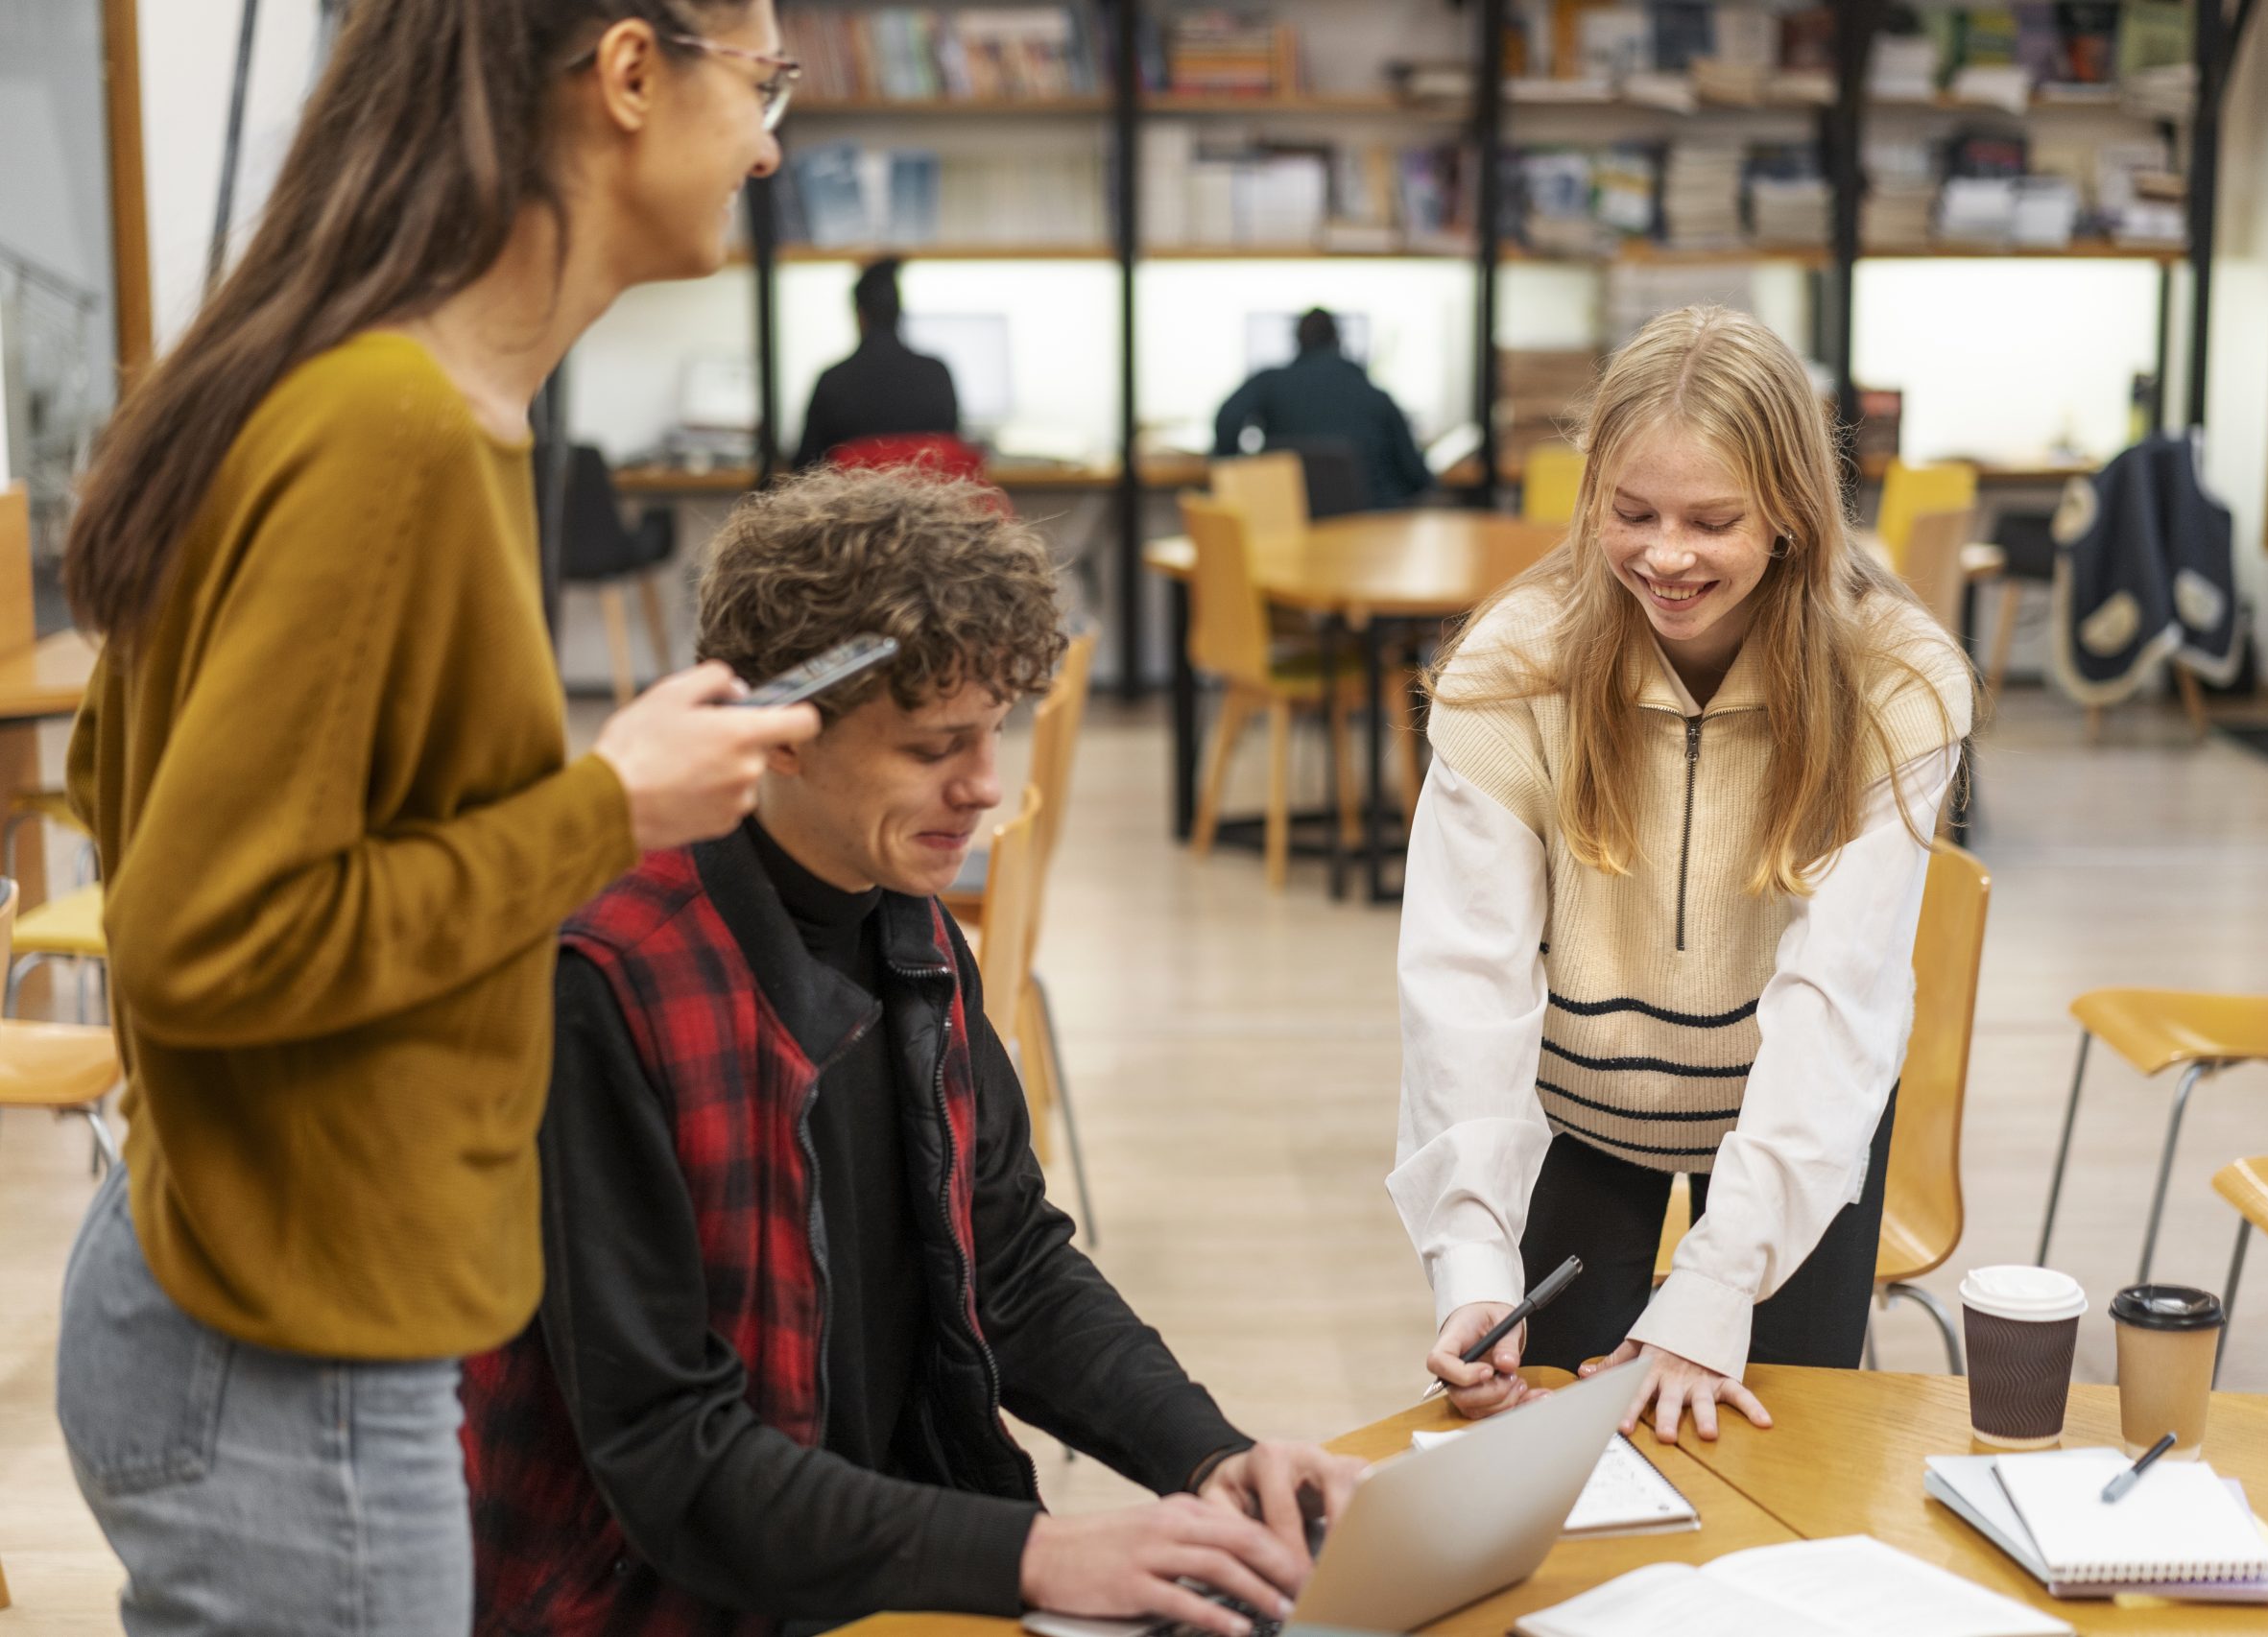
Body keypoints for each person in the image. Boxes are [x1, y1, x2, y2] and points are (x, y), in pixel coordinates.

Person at [53, 5, 821, 1632]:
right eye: (762, 82)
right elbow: (198, 935)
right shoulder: (390, 426)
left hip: (270, 1286)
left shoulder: (396, 393)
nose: (768, 144)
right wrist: (605, 808)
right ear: (628, 73)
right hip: (288, 1345)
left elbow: (120, 779)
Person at [463, 466, 1364, 1636]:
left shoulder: (905, 911)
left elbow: (1011, 1261)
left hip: (871, 1550)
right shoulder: (609, 975)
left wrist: (1208, 1455)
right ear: (779, 739)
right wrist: (1037, 1554)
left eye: (992, 733)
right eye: (934, 746)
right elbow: (670, 1455)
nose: (984, 787)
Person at [1387, 306, 1973, 1448]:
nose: (1665, 555)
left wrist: (1715, 1287)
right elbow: (1465, 981)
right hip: (1582, 1109)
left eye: (1713, 520)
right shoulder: (1512, 667)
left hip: (1786, 1114)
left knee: (1773, 1449)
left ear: (1793, 516)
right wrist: (1468, 1255)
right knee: (1545, 1442)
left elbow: (1834, 1000)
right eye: (1632, 513)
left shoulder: (1896, 681)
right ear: (1589, 494)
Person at [1211, 309, 1435, 510]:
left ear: (1296, 342)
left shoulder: (1270, 383)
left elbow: (1227, 417)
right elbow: (1415, 474)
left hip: (1291, 523)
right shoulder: (1373, 394)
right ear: (1338, 341)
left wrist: (1232, 469)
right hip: (1369, 529)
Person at [793, 257, 962, 468]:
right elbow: (953, 462)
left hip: (854, 502)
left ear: (859, 315)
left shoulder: (833, 381)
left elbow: (804, 470)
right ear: (899, 313)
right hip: (925, 502)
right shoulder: (938, 375)